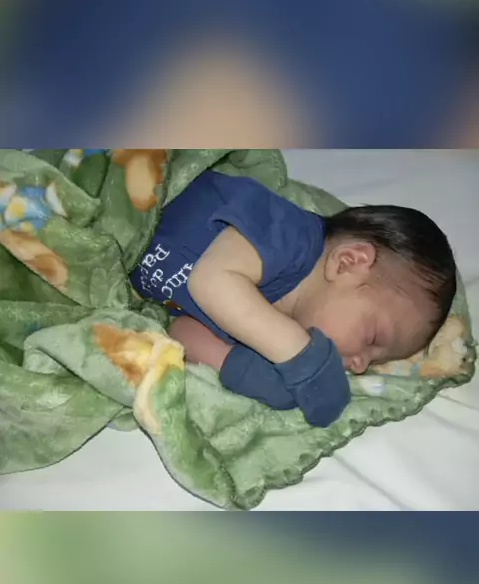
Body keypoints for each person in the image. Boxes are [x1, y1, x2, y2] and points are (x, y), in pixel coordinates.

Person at [130, 169, 457, 427]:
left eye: (373, 362)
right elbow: (209, 282)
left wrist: (243, 368)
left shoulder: (270, 321)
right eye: (372, 339)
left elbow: (182, 330)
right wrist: (299, 356)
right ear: (347, 263)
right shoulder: (289, 236)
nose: (359, 366)